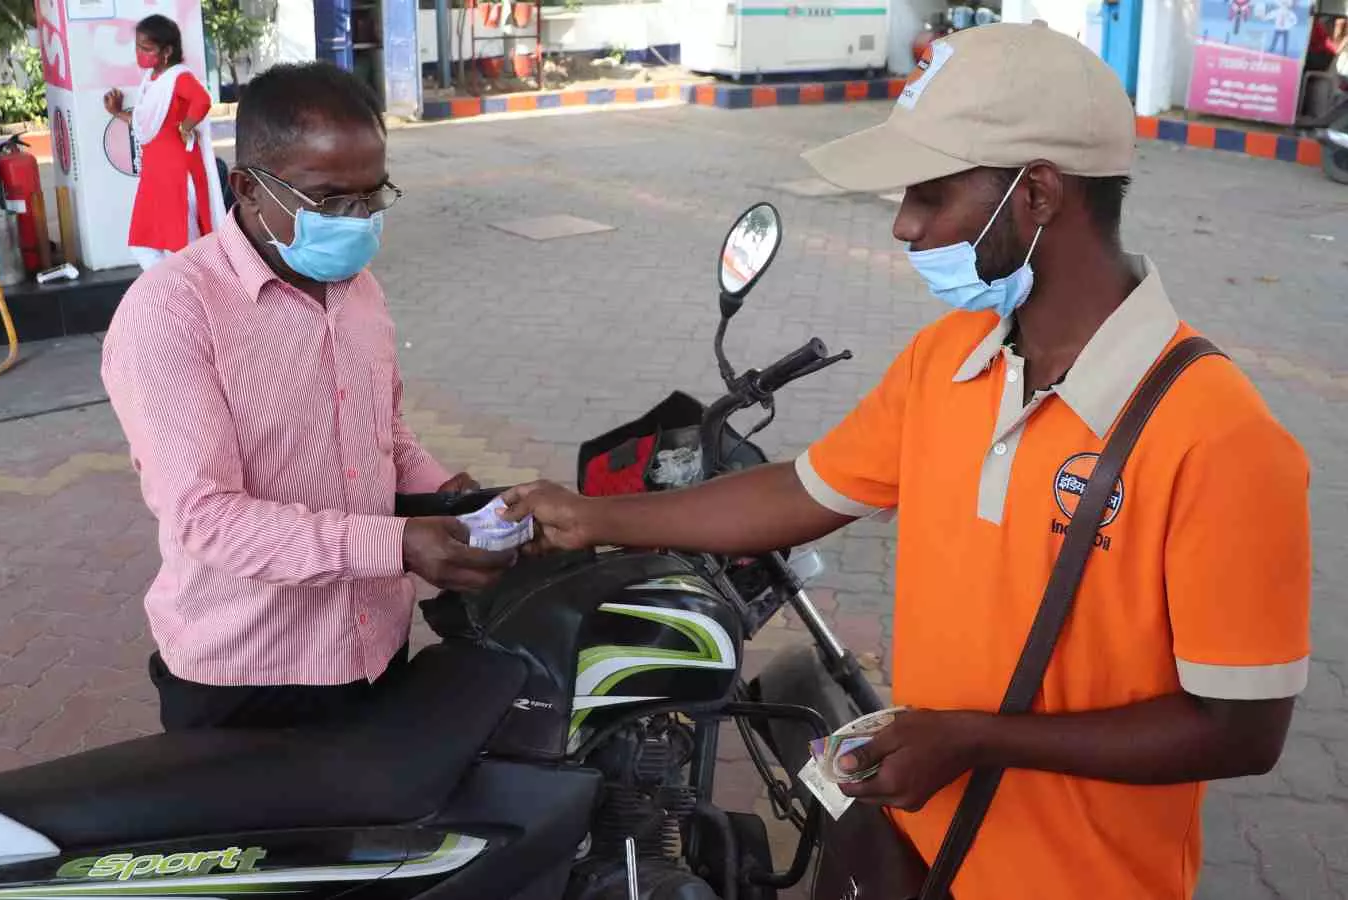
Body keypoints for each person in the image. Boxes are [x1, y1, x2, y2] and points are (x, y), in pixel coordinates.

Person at [502, 22, 1310, 900]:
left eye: (930, 194)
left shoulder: (1219, 437)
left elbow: (1241, 730)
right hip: (918, 850)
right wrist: (596, 518)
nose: (904, 225)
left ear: (1038, 193)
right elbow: (804, 490)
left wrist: (976, 740)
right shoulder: (948, 359)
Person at [100, 62, 514, 731]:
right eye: (330, 201)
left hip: (376, 649)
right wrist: (400, 545)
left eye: (372, 197)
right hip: (249, 677)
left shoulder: (359, 288)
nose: (357, 221)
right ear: (248, 188)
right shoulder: (171, 312)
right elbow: (207, 519)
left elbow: (385, 433)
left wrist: (455, 496)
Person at [103, 15, 225, 272]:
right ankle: (171, 285)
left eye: (146, 48)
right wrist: (117, 113)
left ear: (167, 51)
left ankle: (185, 289)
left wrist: (186, 127)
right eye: (137, 47)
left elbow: (202, 100)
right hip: (156, 173)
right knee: (143, 244)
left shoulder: (178, 77)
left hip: (177, 173)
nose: (139, 54)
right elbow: (147, 125)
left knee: (182, 245)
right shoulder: (152, 80)